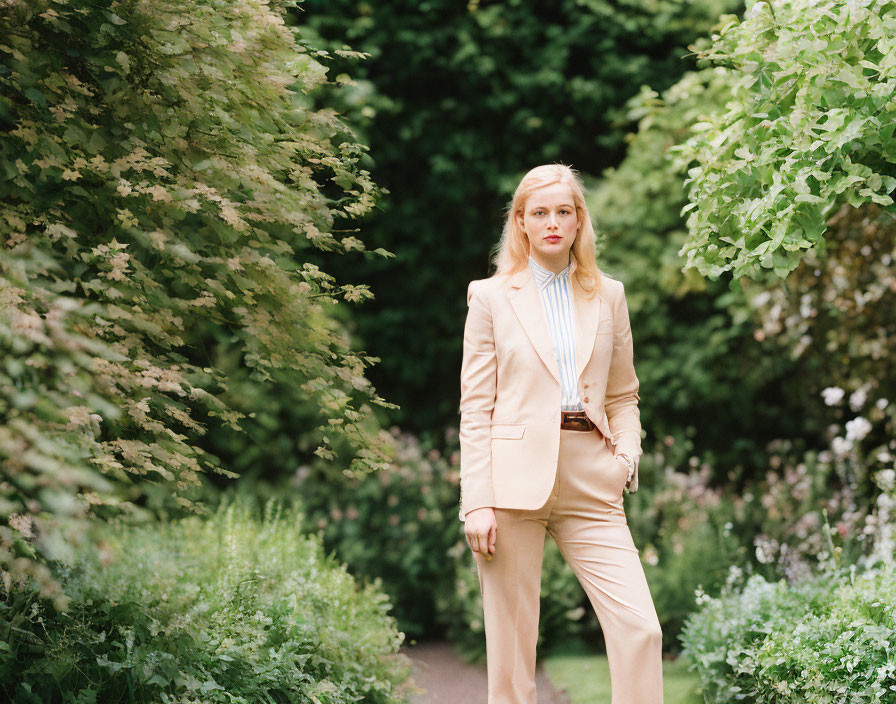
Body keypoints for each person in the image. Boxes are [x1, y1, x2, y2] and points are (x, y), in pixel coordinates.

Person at [458, 163, 663, 703]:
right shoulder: (490, 297)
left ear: (578, 222)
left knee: (642, 629)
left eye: (564, 212)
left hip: (592, 476)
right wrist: (476, 501)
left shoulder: (609, 295)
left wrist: (626, 456)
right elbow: (476, 408)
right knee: (512, 650)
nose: (553, 222)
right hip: (511, 483)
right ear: (521, 223)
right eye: (540, 213)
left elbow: (623, 394)